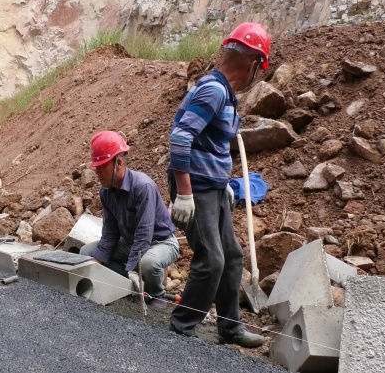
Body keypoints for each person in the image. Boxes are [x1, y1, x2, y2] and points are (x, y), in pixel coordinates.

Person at [166, 22, 271, 347]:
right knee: (211, 259)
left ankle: (230, 327)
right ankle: (181, 328)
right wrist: (184, 193)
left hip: (212, 186)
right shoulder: (213, 90)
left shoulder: (225, 94)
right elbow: (180, 138)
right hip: (195, 188)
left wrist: (224, 182)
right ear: (254, 64)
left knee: (232, 255)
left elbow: (208, 144)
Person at [80, 131, 179, 308]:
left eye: (102, 166)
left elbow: (144, 233)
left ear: (118, 163)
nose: (97, 172)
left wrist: (133, 266)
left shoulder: (143, 186)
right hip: (131, 242)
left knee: (147, 263)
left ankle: (157, 294)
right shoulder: (106, 192)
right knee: (86, 254)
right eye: (96, 167)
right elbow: (110, 232)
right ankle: (131, 286)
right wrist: (96, 262)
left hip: (161, 242)